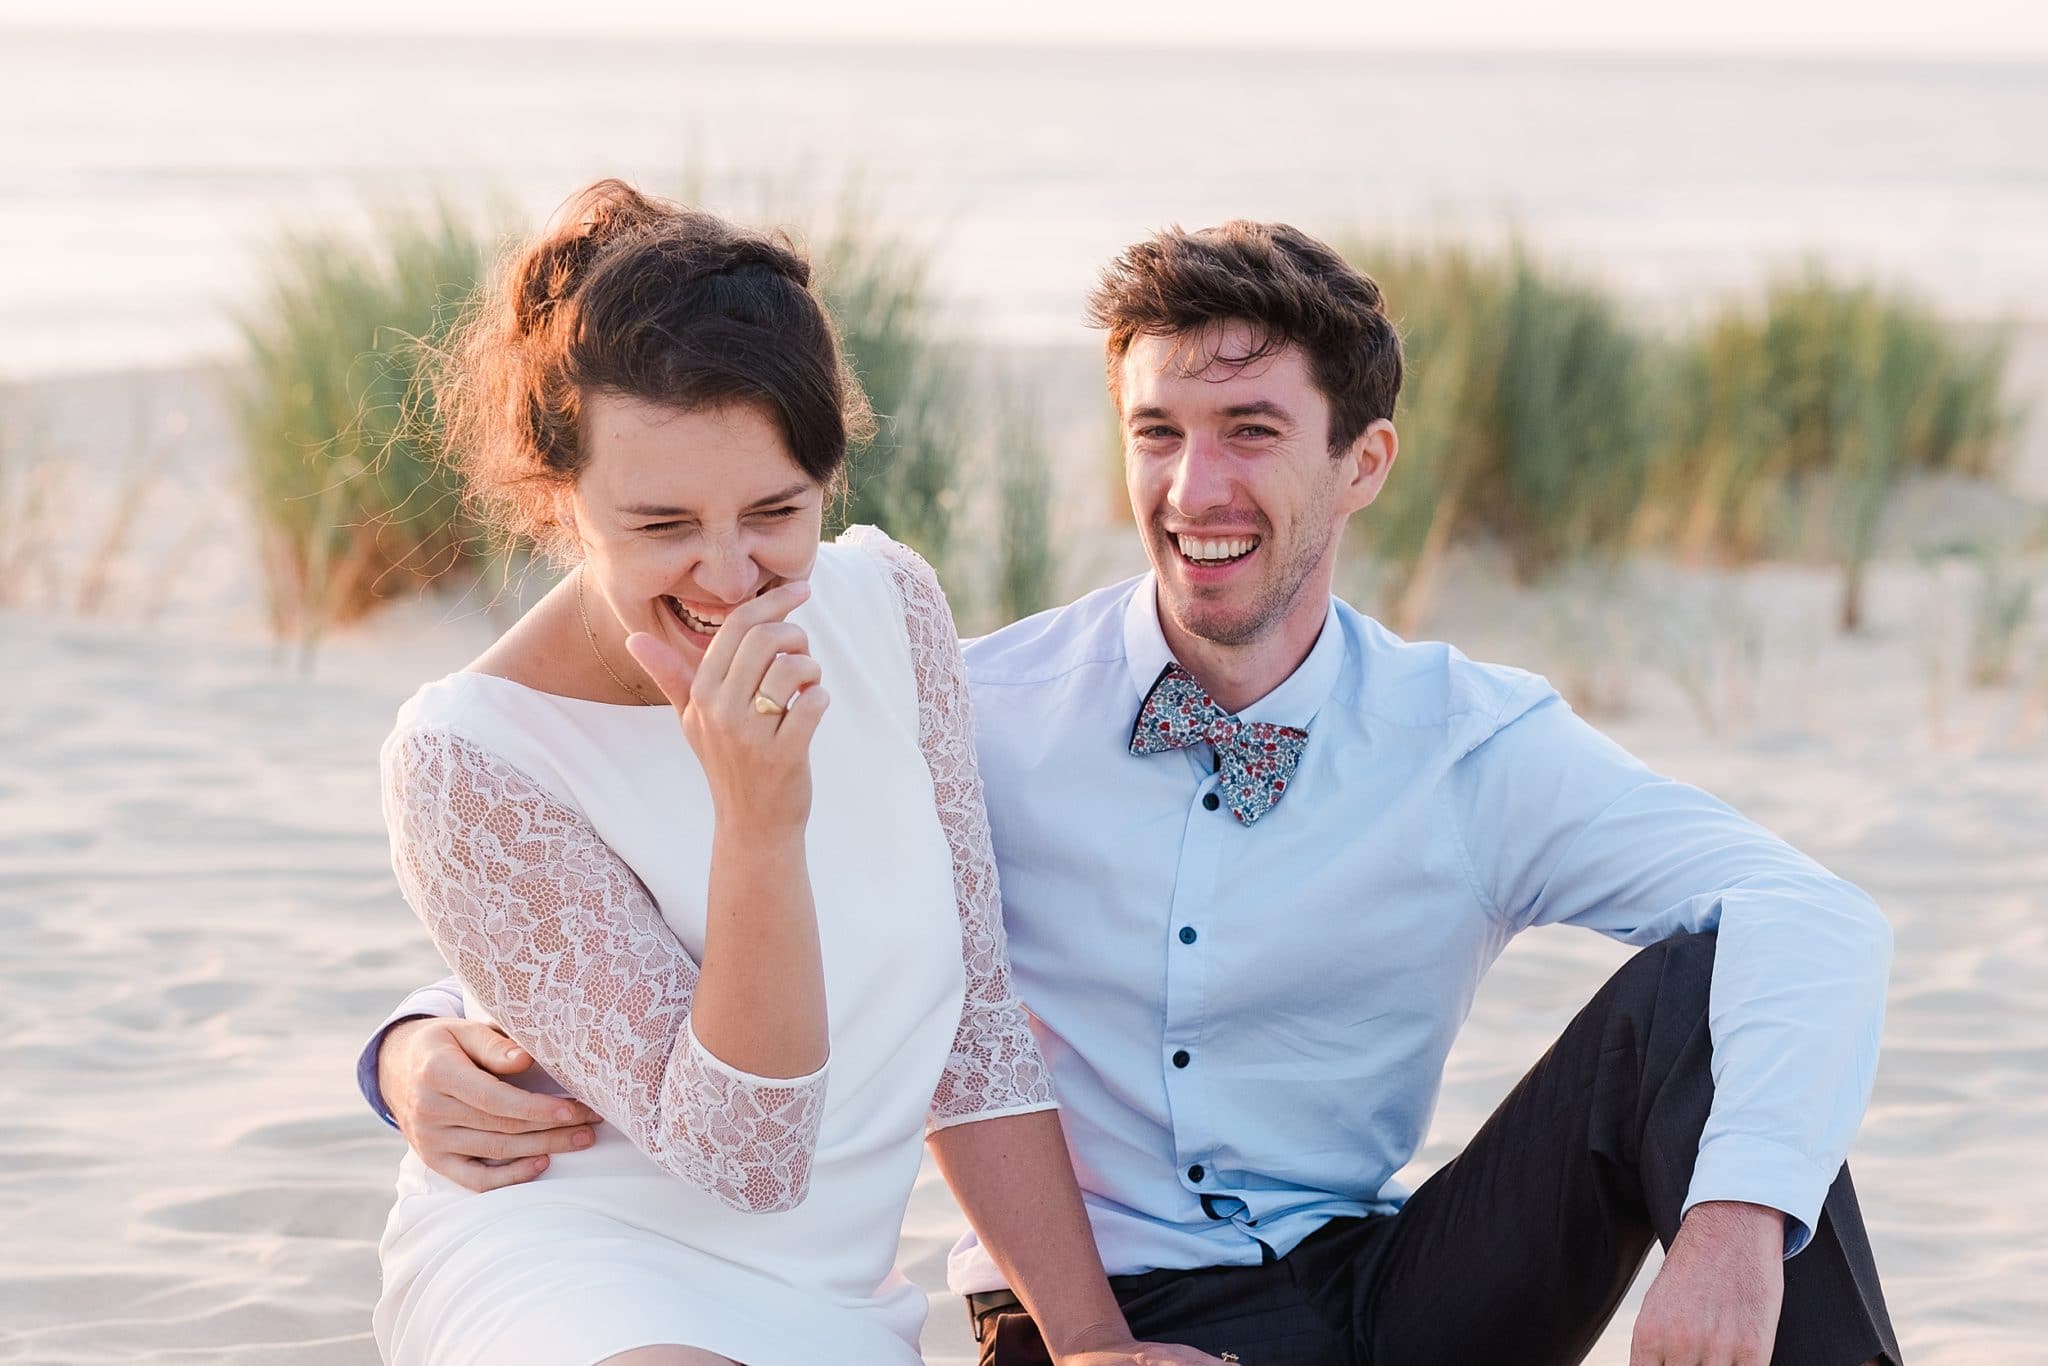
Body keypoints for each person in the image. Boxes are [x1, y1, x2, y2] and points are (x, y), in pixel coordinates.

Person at [366, 219, 1901, 1366]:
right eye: (1157, 432)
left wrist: (1733, 1220)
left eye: (1252, 433)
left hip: (1391, 1281)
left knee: (1726, 1003)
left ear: (1363, 463)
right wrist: (410, 1041)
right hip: (1083, 1312)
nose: (1195, 487)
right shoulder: (977, 696)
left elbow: (1806, 914)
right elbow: (645, 895)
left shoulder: (1468, 740)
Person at [364, 178, 1223, 1366]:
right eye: (661, 525)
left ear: (827, 478)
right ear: (562, 500)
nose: (727, 576)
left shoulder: (889, 605)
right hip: (575, 1265)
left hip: (828, 1298)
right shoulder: (469, 761)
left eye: (774, 511)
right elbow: (744, 1157)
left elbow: (973, 1024)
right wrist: (757, 820)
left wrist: (1087, 1342)